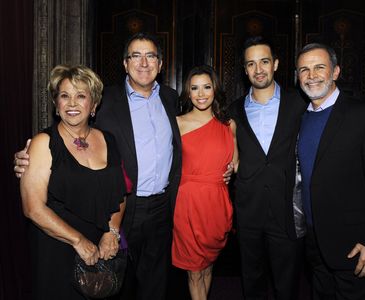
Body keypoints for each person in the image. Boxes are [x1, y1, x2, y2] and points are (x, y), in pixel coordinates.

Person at [14, 32, 233, 300]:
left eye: (150, 56)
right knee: (115, 281)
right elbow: (73, 133)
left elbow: (196, 139)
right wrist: (30, 157)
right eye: (136, 56)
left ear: (160, 64)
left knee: (156, 283)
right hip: (121, 206)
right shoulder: (105, 101)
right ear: (125, 63)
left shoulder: (170, 97)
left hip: (164, 207)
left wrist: (228, 161)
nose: (144, 62)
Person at [295, 43, 365, 299]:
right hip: (315, 246)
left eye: (319, 67)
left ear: (335, 72)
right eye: (304, 70)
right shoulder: (300, 118)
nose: (311, 75)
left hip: (357, 247)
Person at [19, 64, 127, 300]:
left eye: (81, 96)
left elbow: (119, 194)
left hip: (100, 247)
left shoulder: (108, 140)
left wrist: (112, 232)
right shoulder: (43, 143)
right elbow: (32, 208)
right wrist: (78, 241)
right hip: (56, 247)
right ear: (56, 105)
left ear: (94, 105)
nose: (72, 103)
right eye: (64, 96)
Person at [228, 36, 306, 299]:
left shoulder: (299, 104)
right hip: (248, 211)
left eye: (264, 61)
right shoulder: (233, 111)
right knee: (252, 282)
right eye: (251, 64)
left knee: (287, 284)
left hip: (286, 209)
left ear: (275, 64)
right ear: (245, 69)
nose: (258, 69)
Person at [172, 65, 238, 300]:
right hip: (188, 204)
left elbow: (235, 164)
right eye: (194, 88)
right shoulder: (177, 124)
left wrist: (230, 169)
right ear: (188, 93)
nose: (201, 94)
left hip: (217, 206)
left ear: (215, 90)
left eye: (206, 87)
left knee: (208, 265)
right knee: (194, 271)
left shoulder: (228, 125)